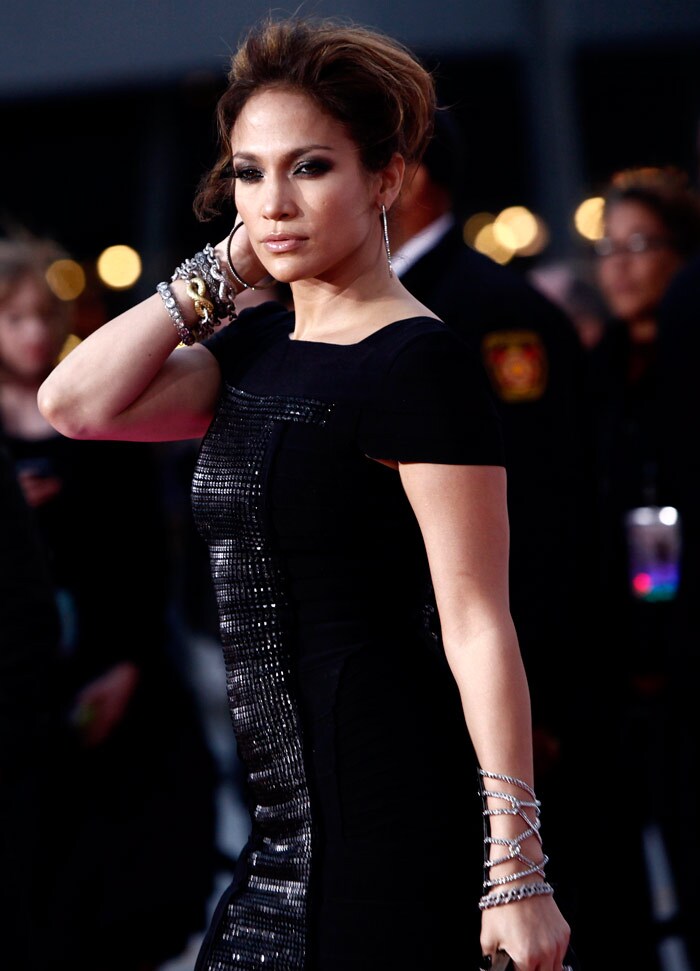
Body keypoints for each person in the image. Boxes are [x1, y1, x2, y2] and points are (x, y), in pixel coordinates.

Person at [38, 16, 572, 971]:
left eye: (309, 168)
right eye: (249, 172)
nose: (272, 201)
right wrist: (226, 268)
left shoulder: (419, 363)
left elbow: (478, 621)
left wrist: (517, 868)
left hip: (388, 822)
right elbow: (74, 404)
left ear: (386, 179)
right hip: (277, 829)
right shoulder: (254, 347)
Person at [0, 234, 220, 971]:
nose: (32, 333)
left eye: (41, 316)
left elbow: (144, 547)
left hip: (116, 648)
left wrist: (129, 659)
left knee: (126, 877)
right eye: (13, 318)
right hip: (23, 675)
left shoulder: (97, 397)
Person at [583, 165, 700, 969]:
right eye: (606, 247)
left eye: (638, 243)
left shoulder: (689, 365)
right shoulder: (594, 371)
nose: (618, 264)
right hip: (623, 664)